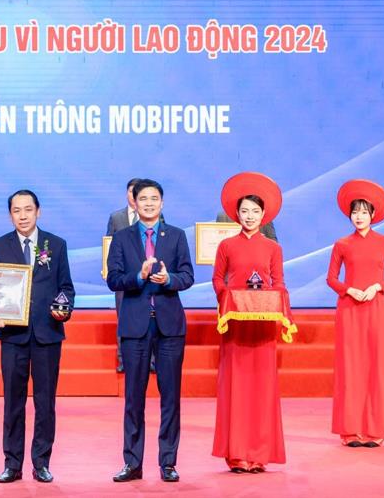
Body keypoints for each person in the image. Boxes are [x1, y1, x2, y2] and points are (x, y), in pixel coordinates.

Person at [106, 178, 194, 483]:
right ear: (134, 202)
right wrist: (139, 276)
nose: (149, 203)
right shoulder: (122, 237)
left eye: (154, 198)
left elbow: (188, 276)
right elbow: (114, 279)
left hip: (169, 326)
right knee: (134, 398)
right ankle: (132, 462)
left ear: (162, 203)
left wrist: (169, 280)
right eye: (143, 198)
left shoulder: (177, 236)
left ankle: (168, 462)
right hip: (135, 325)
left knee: (171, 397)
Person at [0, 190, 75, 484]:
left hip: (47, 334)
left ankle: (41, 463)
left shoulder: (56, 244)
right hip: (13, 335)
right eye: (17, 210)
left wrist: (63, 307)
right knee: (13, 402)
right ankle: (12, 464)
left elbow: (66, 287)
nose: (23, 216)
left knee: (45, 402)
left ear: (38, 211)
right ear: (10, 215)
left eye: (28, 209)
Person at [211, 172, 289, 474]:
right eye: (244, 211)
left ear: (263, 214)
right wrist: (229, 300)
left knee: (262, 388)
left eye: (255, 211)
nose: (250, 216)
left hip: (263, 326)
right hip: (236, 326)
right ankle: (237, 454)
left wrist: (269, 302)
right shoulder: (226, 246)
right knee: (237, 387)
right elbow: (218, 280)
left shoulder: (273, 248)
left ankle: (259, 454)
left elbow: (279, 283)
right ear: (236, 214)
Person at [327, 179, 384, 448]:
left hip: (376, 308)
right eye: (355, 212)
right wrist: (348, 290)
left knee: (376, 367)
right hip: (349, 309)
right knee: (351, 368)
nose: (359, 217)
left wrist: (378, 287)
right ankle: (350, 431)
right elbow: (331, 278)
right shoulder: (342, 244)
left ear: (373, 214)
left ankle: (375, 429)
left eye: (363, 212)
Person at [105, 178, 140, 373]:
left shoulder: (154, 217)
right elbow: (108, 246)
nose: (134, 195)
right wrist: (109, 269)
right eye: (131, 191)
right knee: (123, 318)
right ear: (127, 194)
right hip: (122, 279)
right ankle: (123, 360)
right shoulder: (116, 217)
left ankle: (150, 360)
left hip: (145, 278)